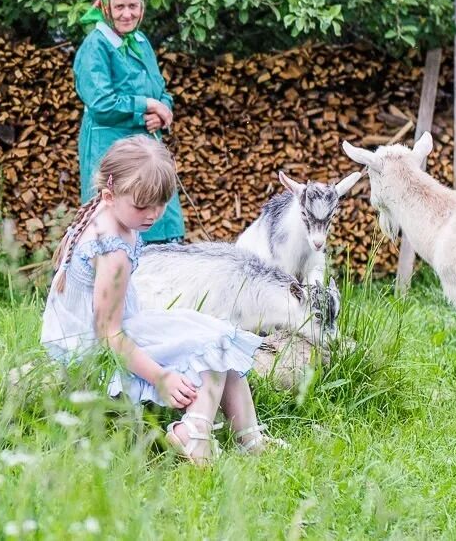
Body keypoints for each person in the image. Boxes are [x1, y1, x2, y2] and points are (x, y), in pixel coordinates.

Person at [41, 135, 280, 464]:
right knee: (212, 345)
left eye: (161, 203)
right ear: (110, 195)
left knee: (221, 334)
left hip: (107, 326)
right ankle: (193, 433)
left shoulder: (108, 211)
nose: (153, 215)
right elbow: (108, 333)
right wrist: (160, 376)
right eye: (142, 206)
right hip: (95, 344)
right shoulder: (112, 250)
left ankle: (249, 437)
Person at [73, 0, 185, 243]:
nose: (126, 14)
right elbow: (101, 103)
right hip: (109, 144)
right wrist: (147, 105)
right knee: (119, 214)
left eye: (132, 6)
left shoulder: (141, 41)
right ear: (106, 8)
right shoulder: (95, 46)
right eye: (119, 7)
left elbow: (159, 91)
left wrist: (162, 112)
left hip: (146, 144)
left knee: (160, 210)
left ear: (142, 8)